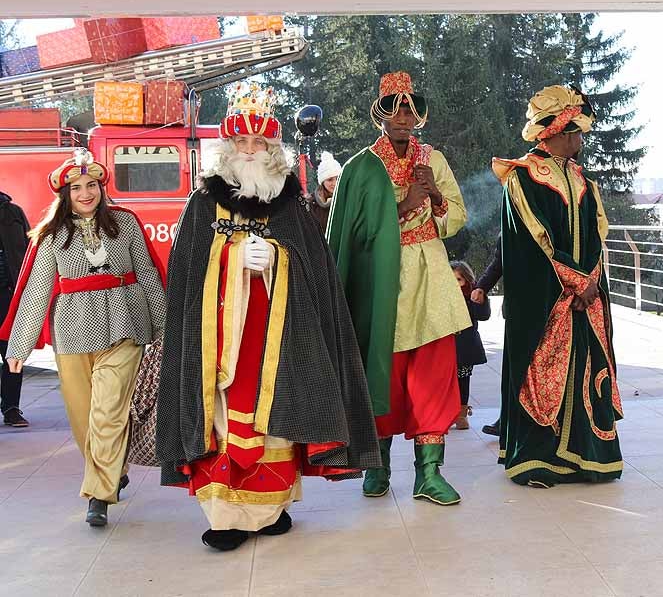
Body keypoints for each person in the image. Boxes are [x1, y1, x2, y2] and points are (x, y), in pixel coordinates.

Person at [156, 82, 380, 551]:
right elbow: (187, 272)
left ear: (273, 149)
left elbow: (316, 272)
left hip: (279, 342)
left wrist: (279, 258)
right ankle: (227, 517)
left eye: (260, 143)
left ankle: (269, 509)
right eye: (243, 142)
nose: (252, 151)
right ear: (228, 148)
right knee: (223, 423)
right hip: (221, 346)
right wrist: (234, 257)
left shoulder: (289, 207)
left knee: (277, 422)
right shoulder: (203, 204)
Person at [0, 152, 166, 526]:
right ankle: (113, 470)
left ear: (101, 188)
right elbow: (37, 291)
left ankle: (98, 495)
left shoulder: (125, 224)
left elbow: (150, 277)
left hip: (125, 328)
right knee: (83, 421)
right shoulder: (52, 235)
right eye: (77, 187)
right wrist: (19, 348)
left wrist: (166, 328)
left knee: (107, 413)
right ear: (65, 193)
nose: (86, 193)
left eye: (91, 185)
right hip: (72, 335)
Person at [328, 71, 469, 506]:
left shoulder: (435, 159)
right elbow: (350, 231)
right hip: (381, 283)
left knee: (435, 375)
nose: (404, 117)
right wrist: (401, 205)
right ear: (381, 115)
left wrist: (435, 199)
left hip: (431, 279)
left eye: (410, 109)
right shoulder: (361, 166)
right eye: (395, 109)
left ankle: (429, 473)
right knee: (383, 376)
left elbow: (457, 217)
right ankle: (378, 465)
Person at [493, 84, 623, 488]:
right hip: (545, 299)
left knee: (584, 368)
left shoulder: (584, 181)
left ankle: (586, 455)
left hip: (584, 297)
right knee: (543, 369)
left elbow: (597, 235)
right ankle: (537, 459)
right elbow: (537, 239)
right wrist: (575, 284)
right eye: (577, 131)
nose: (581, 139)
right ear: (561, 132)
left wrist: (591, 284)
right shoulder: (524, 178)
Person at [0, 190, 30, 427]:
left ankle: (11, 408)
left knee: (12, 353)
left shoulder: (13, 212)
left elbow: (30, 251)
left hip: (8, 295)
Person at [450, 260, 490, 430]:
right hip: (446, 347)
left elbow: (483, 315)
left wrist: (480, 300)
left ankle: (461, 413)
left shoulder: (471, 296)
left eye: (459, 280)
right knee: (445, 382)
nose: (455, 284)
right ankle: (445, 413)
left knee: (463, 380)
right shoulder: (441, 298)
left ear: (467, 280)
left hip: (465, 348)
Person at [471, 236, 502, 436]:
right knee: (513, 373)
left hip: (552, 308)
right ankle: (507, 422)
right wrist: (481, 286)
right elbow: (499, 262)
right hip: (520, 312)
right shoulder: (509, 227)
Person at [307, 152, 342, 234]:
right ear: (322, 182)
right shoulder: (311, 204)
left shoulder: (347, 200)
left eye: (338, 178)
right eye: (330, 180)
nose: (335, 183)